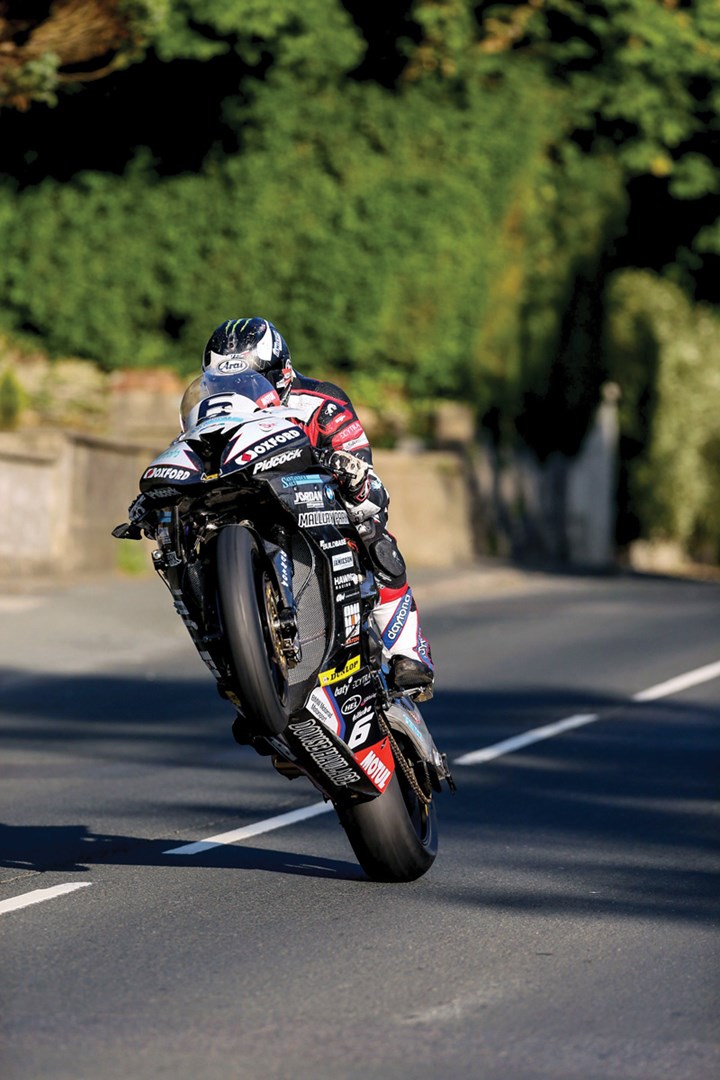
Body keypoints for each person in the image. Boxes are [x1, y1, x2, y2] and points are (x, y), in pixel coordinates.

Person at [182, 316, 435, 701]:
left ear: (280, 371)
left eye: (251, 379)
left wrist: (348, 473)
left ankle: (408, 653)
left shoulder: (323, 401)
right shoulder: (210, 412)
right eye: (221, 383)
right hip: (244, 505)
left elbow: (366, 479)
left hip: (317, 508)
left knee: (373, 532)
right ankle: (238, 669)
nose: (236, 391)